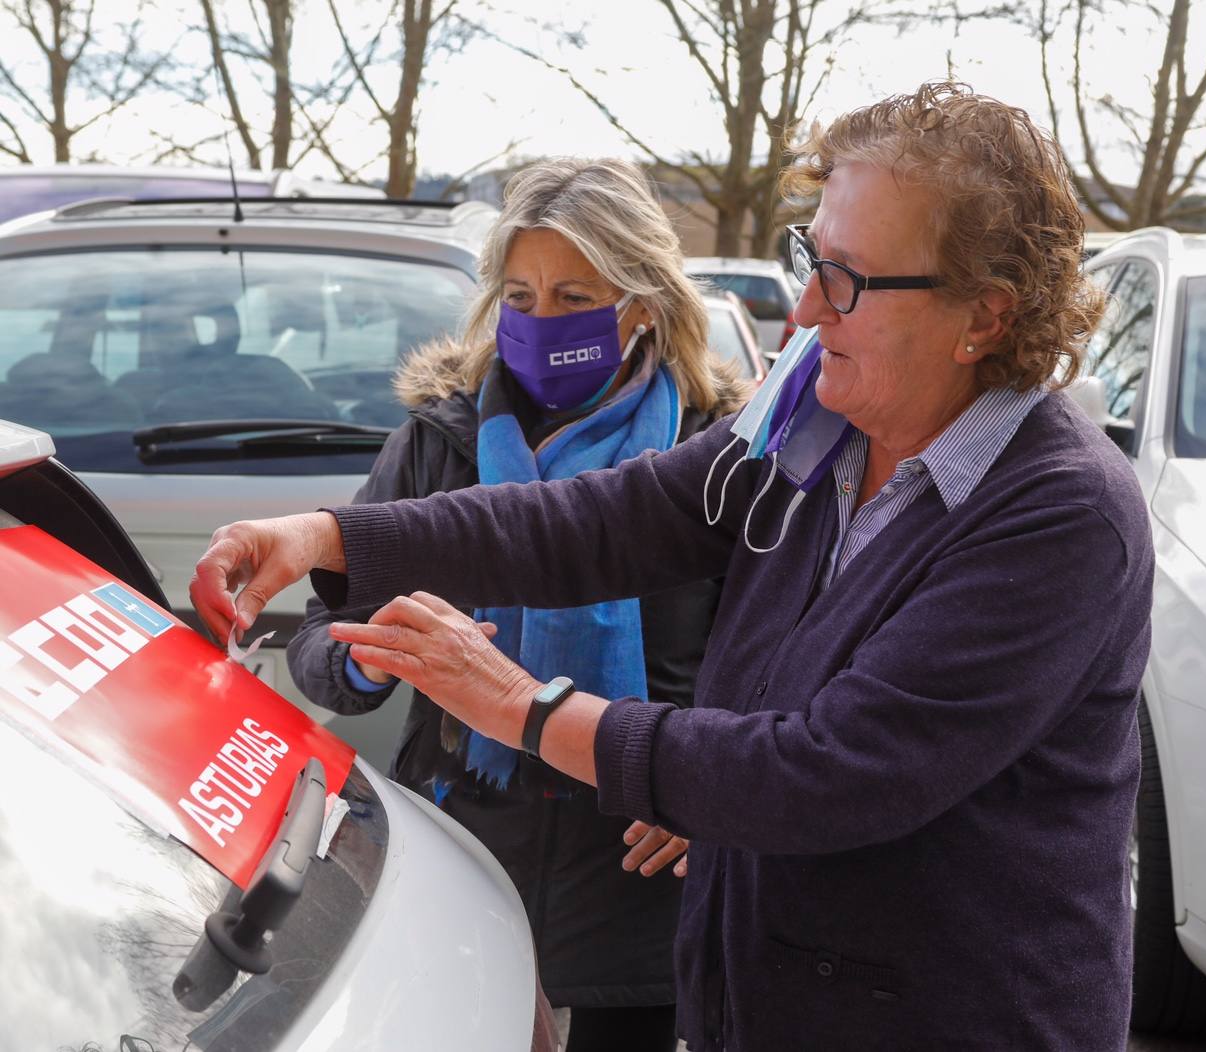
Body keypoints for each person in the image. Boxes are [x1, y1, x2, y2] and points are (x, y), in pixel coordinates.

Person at [192, 83, 1155, 1052]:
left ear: (982, 318)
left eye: (848, 279)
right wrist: (329, 537)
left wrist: (521, 706)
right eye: (806, 259)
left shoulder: (1057, 514)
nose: (806, 306)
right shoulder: (815, 428)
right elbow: (605, 520)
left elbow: (832, 772)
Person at [283, 157, 746, 1052]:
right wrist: (362, 655)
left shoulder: (714, 458)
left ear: (642, 300)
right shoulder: (438, 441)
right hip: (464, 856)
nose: (539, 323)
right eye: (520, 298)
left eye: (574, 296)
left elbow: (776, 658)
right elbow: (321, 642)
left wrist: (709, 789)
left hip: (641, 873)